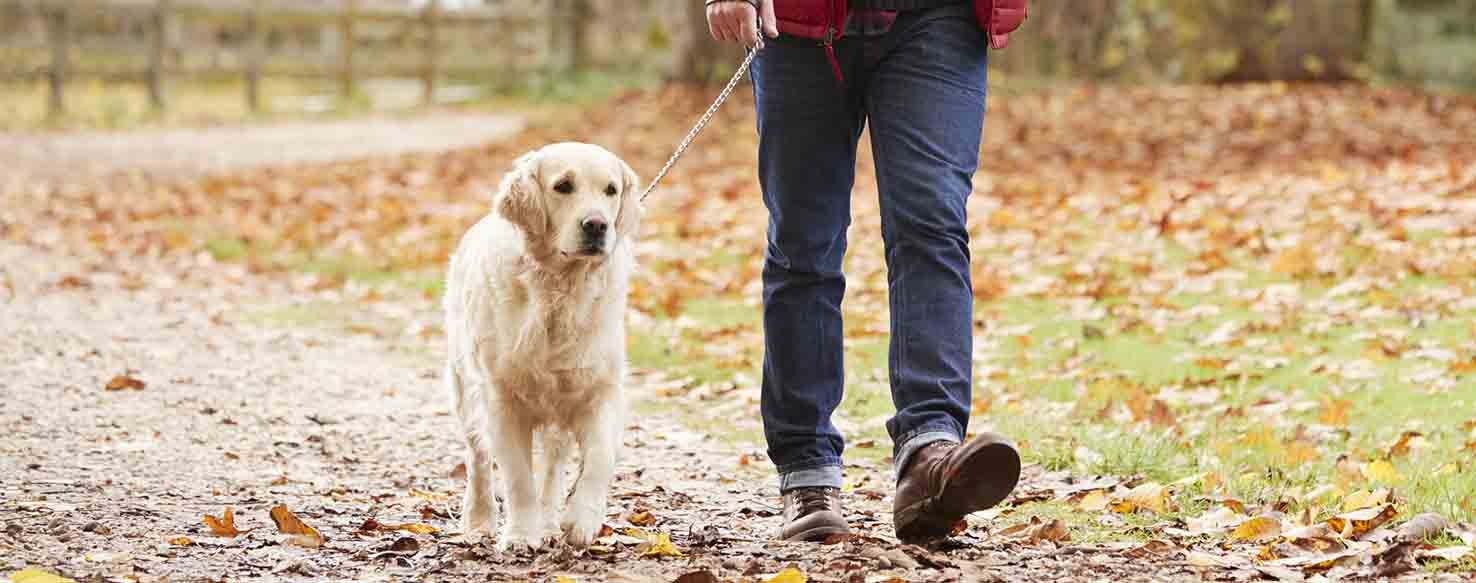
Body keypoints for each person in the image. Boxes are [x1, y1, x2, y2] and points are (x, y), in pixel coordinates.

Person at [705, 0, 1023, 544]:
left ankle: (931, 452)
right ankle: (808, 470)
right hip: (798, 24)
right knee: (804, 243)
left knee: (933, 222)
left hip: (938, 19)